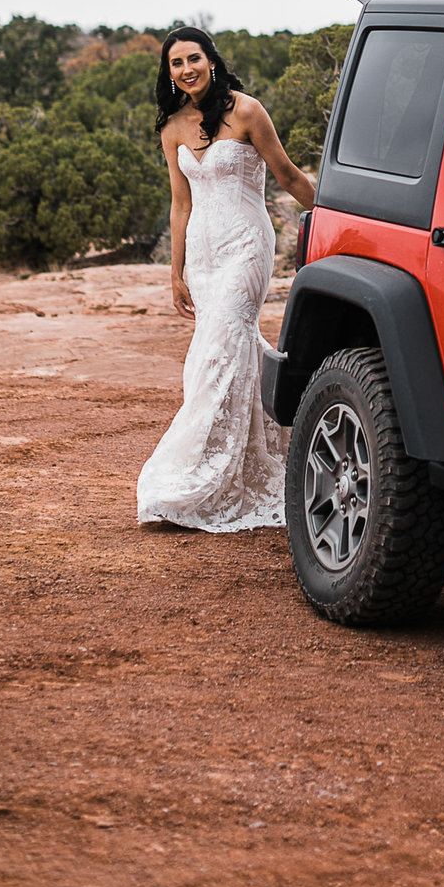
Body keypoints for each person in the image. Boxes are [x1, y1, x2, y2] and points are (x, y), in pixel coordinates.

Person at [135, 26, 315, 531]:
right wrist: (176, 270)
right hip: (203, 255)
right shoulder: (172, 127)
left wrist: (340, 215)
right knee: (230, 349)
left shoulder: (247, 111)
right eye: (176, 63)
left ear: (211, 60)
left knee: (218, 349)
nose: (186, 69)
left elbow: (288, 175)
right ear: (168, 73)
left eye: (194, 58)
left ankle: (194, 473)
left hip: (245, 246)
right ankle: (280, 449)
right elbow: (180, 203)